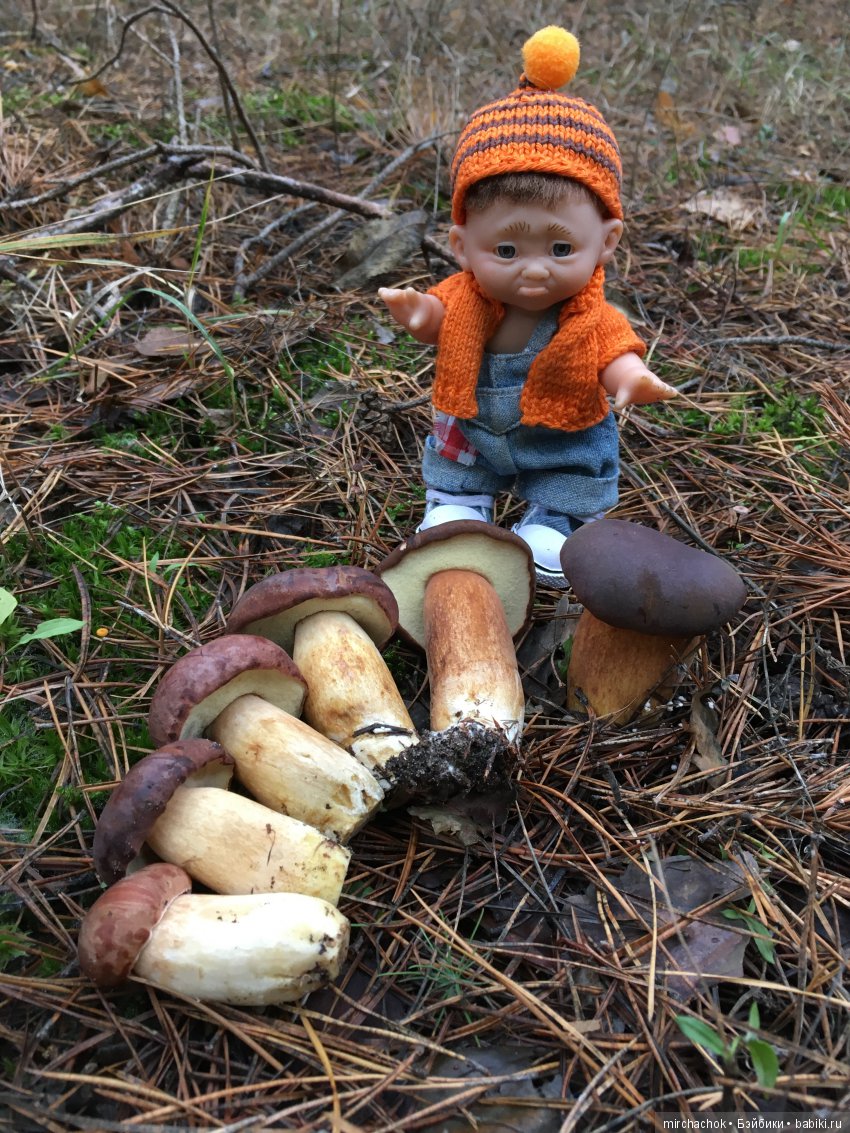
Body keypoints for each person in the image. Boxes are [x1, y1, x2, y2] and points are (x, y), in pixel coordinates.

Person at [379, 25, 676, 586]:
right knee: (457, 456)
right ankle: (461, 507)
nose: (535, 268)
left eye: (561, 248)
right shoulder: (464, 295)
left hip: (556, 432)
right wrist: (422, 315)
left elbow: (615, 348)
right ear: (463, 246)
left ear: (606, 242)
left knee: (570, 466)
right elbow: (438, 318)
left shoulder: (587, 317)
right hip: (474, 424)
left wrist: (631, 376)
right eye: (507, 249)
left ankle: (558, 520)